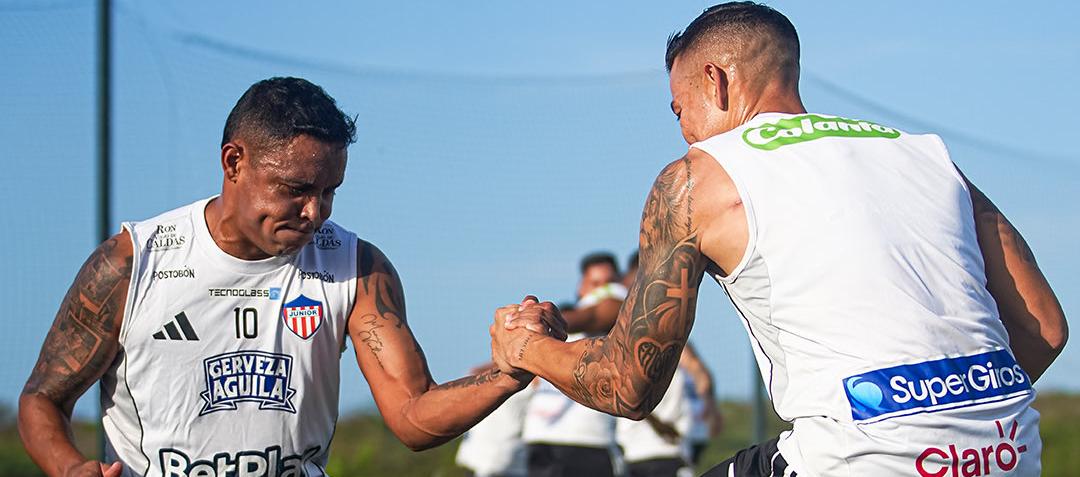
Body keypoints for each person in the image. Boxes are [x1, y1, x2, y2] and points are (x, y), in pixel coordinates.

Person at [490, 3, 1068, 476]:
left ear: (715, 81)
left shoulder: (697, 177)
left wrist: (528, 350)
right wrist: (947, 416)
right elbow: (1045, 326)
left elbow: (628, 388)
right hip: (1007, 452)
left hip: (858, 460)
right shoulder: (926, 154)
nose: (685, 127)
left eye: (679, 108)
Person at [18, 77, 564, 477]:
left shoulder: (356, 266)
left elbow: (412, 417)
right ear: (234, 162)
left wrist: (508, 373)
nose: (315, 211)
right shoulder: (133, 262)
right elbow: (43, 398)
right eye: (295, 189)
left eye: (329, 191)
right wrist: (69, 468)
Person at [521, 252, 624, 477]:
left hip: (588, 440)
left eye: (608, 284)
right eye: (595, 284)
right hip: (542, 439)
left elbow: (595, 315)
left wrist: (542, 320)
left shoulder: (614, 310)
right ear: (581, 286)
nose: (601, 291)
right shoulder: (563, 323)